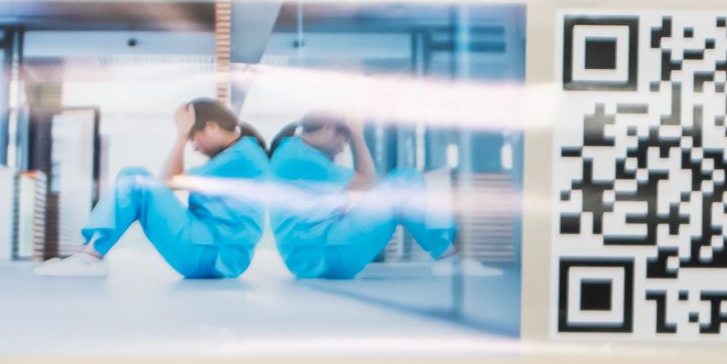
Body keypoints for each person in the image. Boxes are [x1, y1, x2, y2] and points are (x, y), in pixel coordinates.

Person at [36, 98, 270, 279]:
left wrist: (181, 135)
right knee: (137, 180)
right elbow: (167, 183)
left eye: (193, 137)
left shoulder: (241, 157)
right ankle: (88, 254)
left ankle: (89, 258)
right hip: (215, 253)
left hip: (210, 253)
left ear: (211, 127)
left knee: (134, 178)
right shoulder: (238, 155)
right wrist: (185, 134)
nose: (194, 148)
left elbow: (169, 181)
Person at [266, 110, 457, 278]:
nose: (342, 148)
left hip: (311, 258)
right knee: (405, 180)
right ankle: (447, 253)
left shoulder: (291, 151)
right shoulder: (302, 157)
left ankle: (447, 243)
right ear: (327, 128)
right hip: (326, 252)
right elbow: (366, 179)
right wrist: (356, 134)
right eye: (345, 140)